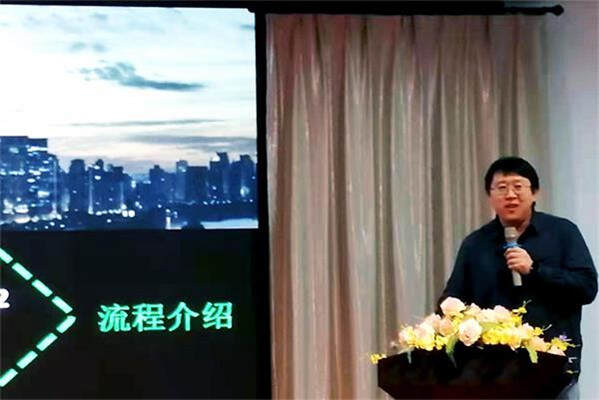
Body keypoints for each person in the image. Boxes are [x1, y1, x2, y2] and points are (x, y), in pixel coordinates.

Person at [439, 156, 597, 397]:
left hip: (554, 370)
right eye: (501, 188)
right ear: (490, 196)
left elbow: (587, 288)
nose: (510, 195)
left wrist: (535, 271)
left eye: (518, 186)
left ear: (535, 193)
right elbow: (452, 300)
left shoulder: (563, 233)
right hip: (492, 374)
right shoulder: (475, 244)